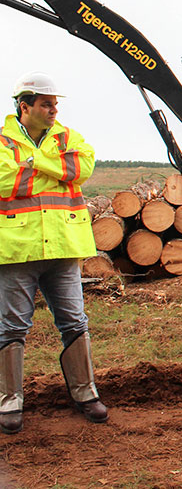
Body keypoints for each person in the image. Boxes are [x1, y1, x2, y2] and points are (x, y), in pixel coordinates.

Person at [0, 72, 108, 435]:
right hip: (18, 250)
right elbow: (5, 182)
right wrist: (57, 171)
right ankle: (9, 400)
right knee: (12, 327)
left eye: (55, 103)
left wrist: (35, 164)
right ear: (24, 106)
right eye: (46, 104)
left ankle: (85, 393)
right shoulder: (3, 141)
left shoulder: (68, 136)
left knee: (75, 322)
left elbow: (82, 169)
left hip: (63, 248)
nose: (54, 109)